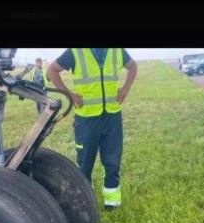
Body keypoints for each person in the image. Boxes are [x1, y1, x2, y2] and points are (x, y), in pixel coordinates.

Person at [47, 48, 138, 211]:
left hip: (112, 116)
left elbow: (132, 66)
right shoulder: (75, 52)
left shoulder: (116, 51)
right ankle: (85, 202)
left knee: (112, 161)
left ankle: (112, 201)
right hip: (87, 118)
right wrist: (69, 94)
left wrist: (125, 89)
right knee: (85, 164)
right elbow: (52, 70)